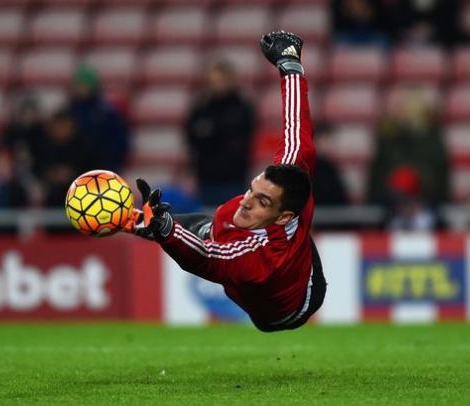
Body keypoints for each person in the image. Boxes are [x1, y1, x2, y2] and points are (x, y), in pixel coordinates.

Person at [125, 32, 326, 333]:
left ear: (283, 216)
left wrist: (168, 232)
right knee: (213, 222)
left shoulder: (261, 258)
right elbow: (296, 124)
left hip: (289, 307)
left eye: (262, 201)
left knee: (204, 234)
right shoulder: (287, 176)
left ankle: (149, 224)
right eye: (253, 189)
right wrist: (289, 63)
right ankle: (138, 221)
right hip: (275, 240)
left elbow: (207, 257)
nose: (247, 200)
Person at [185, 60, 255, 206]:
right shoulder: (200, 108)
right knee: (208, 223)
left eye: (221, 80)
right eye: (213, 80)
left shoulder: (242, 108)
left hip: (233, 179)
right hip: (206, 180)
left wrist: (211, 132)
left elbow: (243, 138)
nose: (217, 84)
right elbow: (191, 137)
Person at [68, 65, 131, 173]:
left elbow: (119, 141)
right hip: (77, 169)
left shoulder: (106, 113)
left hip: (103, 167)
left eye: (84, 85)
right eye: (78, 85)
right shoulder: (71, 110)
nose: (80, 89)